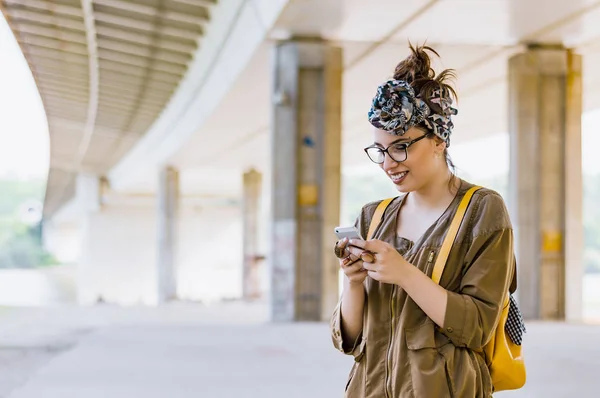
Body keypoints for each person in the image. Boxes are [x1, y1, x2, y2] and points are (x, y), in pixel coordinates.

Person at [330, 44, 522, 397]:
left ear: (437, 140)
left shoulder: (482, 211)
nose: (388, 163)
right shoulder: (373, 216)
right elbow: (352, 340)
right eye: (380, 150)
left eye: (401, 147)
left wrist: (404, 274)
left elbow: (477, 328)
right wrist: (353, 282)